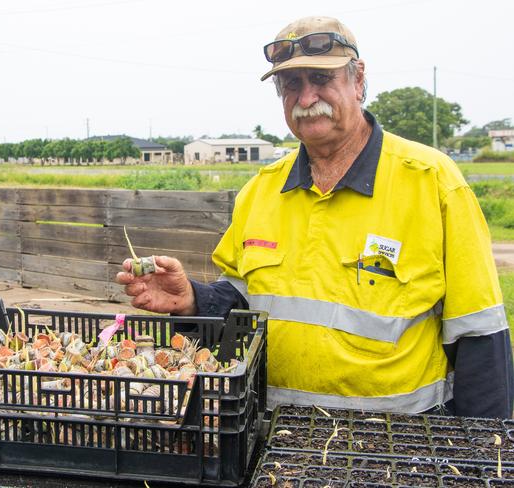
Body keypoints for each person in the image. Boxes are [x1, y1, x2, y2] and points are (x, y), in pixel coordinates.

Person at [116, 16, 514, 418]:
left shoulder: (432, 182)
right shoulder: (263, 190)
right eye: (292, 84)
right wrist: (191, 300)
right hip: (275, 441)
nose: (306, 99)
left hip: (399, 443)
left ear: (358, 80)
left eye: (321, 79)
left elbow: (479, 334)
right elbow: (240, 303)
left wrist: (485, 453)